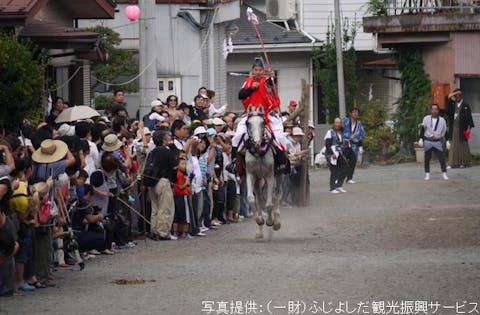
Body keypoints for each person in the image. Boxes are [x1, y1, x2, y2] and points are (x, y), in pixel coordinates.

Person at [230, 57, 289, 164]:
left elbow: (270, 85)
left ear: (263, 71)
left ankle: (284, 162)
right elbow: (240, 95)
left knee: (280, 136)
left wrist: (271, 77)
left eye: (260, 70)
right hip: (251, 115)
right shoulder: (248, 82)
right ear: (252, 71)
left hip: (267, 115)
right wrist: (251, 88)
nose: (257, 72)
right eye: (256, 70)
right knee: (237, 135)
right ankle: (234, 162)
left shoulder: (266, 80)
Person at [146, 129, 178, 241]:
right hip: (163, 181)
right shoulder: (167, 151)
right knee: (165, 207)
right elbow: (175, 166)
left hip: (152, 181)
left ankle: (154, 230)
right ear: (164, 140)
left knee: (155, 208)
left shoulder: (152, 152)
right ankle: (163, 232)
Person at [419, 104, 448, 181]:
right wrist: (420, 139)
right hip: (428, 141)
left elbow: (445, 131)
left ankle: (444, 173)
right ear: (430, 110)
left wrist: (447, 140)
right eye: (433, 109)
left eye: (436, 109)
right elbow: (422, 128)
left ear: (438, 110)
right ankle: (427, 174)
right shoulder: (426, 118)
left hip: (437, 142)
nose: (434, 111)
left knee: (442, 158)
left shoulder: (442, 120)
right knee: (427, 159)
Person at [446, 89, 475, 168]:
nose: (457, 97)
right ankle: (452, 163)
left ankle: (464, 162)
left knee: (463, 145)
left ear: (462, 96)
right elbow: (447, 111)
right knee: (453, 145)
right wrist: (452, 95)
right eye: (456, 95)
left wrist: (469, 128)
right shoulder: (452, 104)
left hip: (464, 128)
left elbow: (469, 118)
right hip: (454, 127)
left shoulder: (466, 105)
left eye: (459, 95)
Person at [342, 108, 366, 184]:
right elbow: (338, 126)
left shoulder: (359, 124)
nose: (355, 114)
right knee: (343, 161)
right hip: (345, 144)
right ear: (350, 113)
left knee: (352, 162)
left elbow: (361, 135)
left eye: (357, 112)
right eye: (354, 112)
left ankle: (349, 178)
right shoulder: (345, 121)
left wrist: (360, 146)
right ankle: (339, 177)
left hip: (354, 145)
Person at [325, 118, 348, 194]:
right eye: (336, 123)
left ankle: (339, 185)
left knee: (345, 167)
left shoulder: (342, 132)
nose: (337, 124)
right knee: (334, 170)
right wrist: (332, 154)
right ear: (334, 124)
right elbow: (327, 144)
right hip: (331, 153)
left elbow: (343, 143)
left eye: (339, 123)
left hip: (340, 152)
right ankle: (332, 188)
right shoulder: (330, 132)